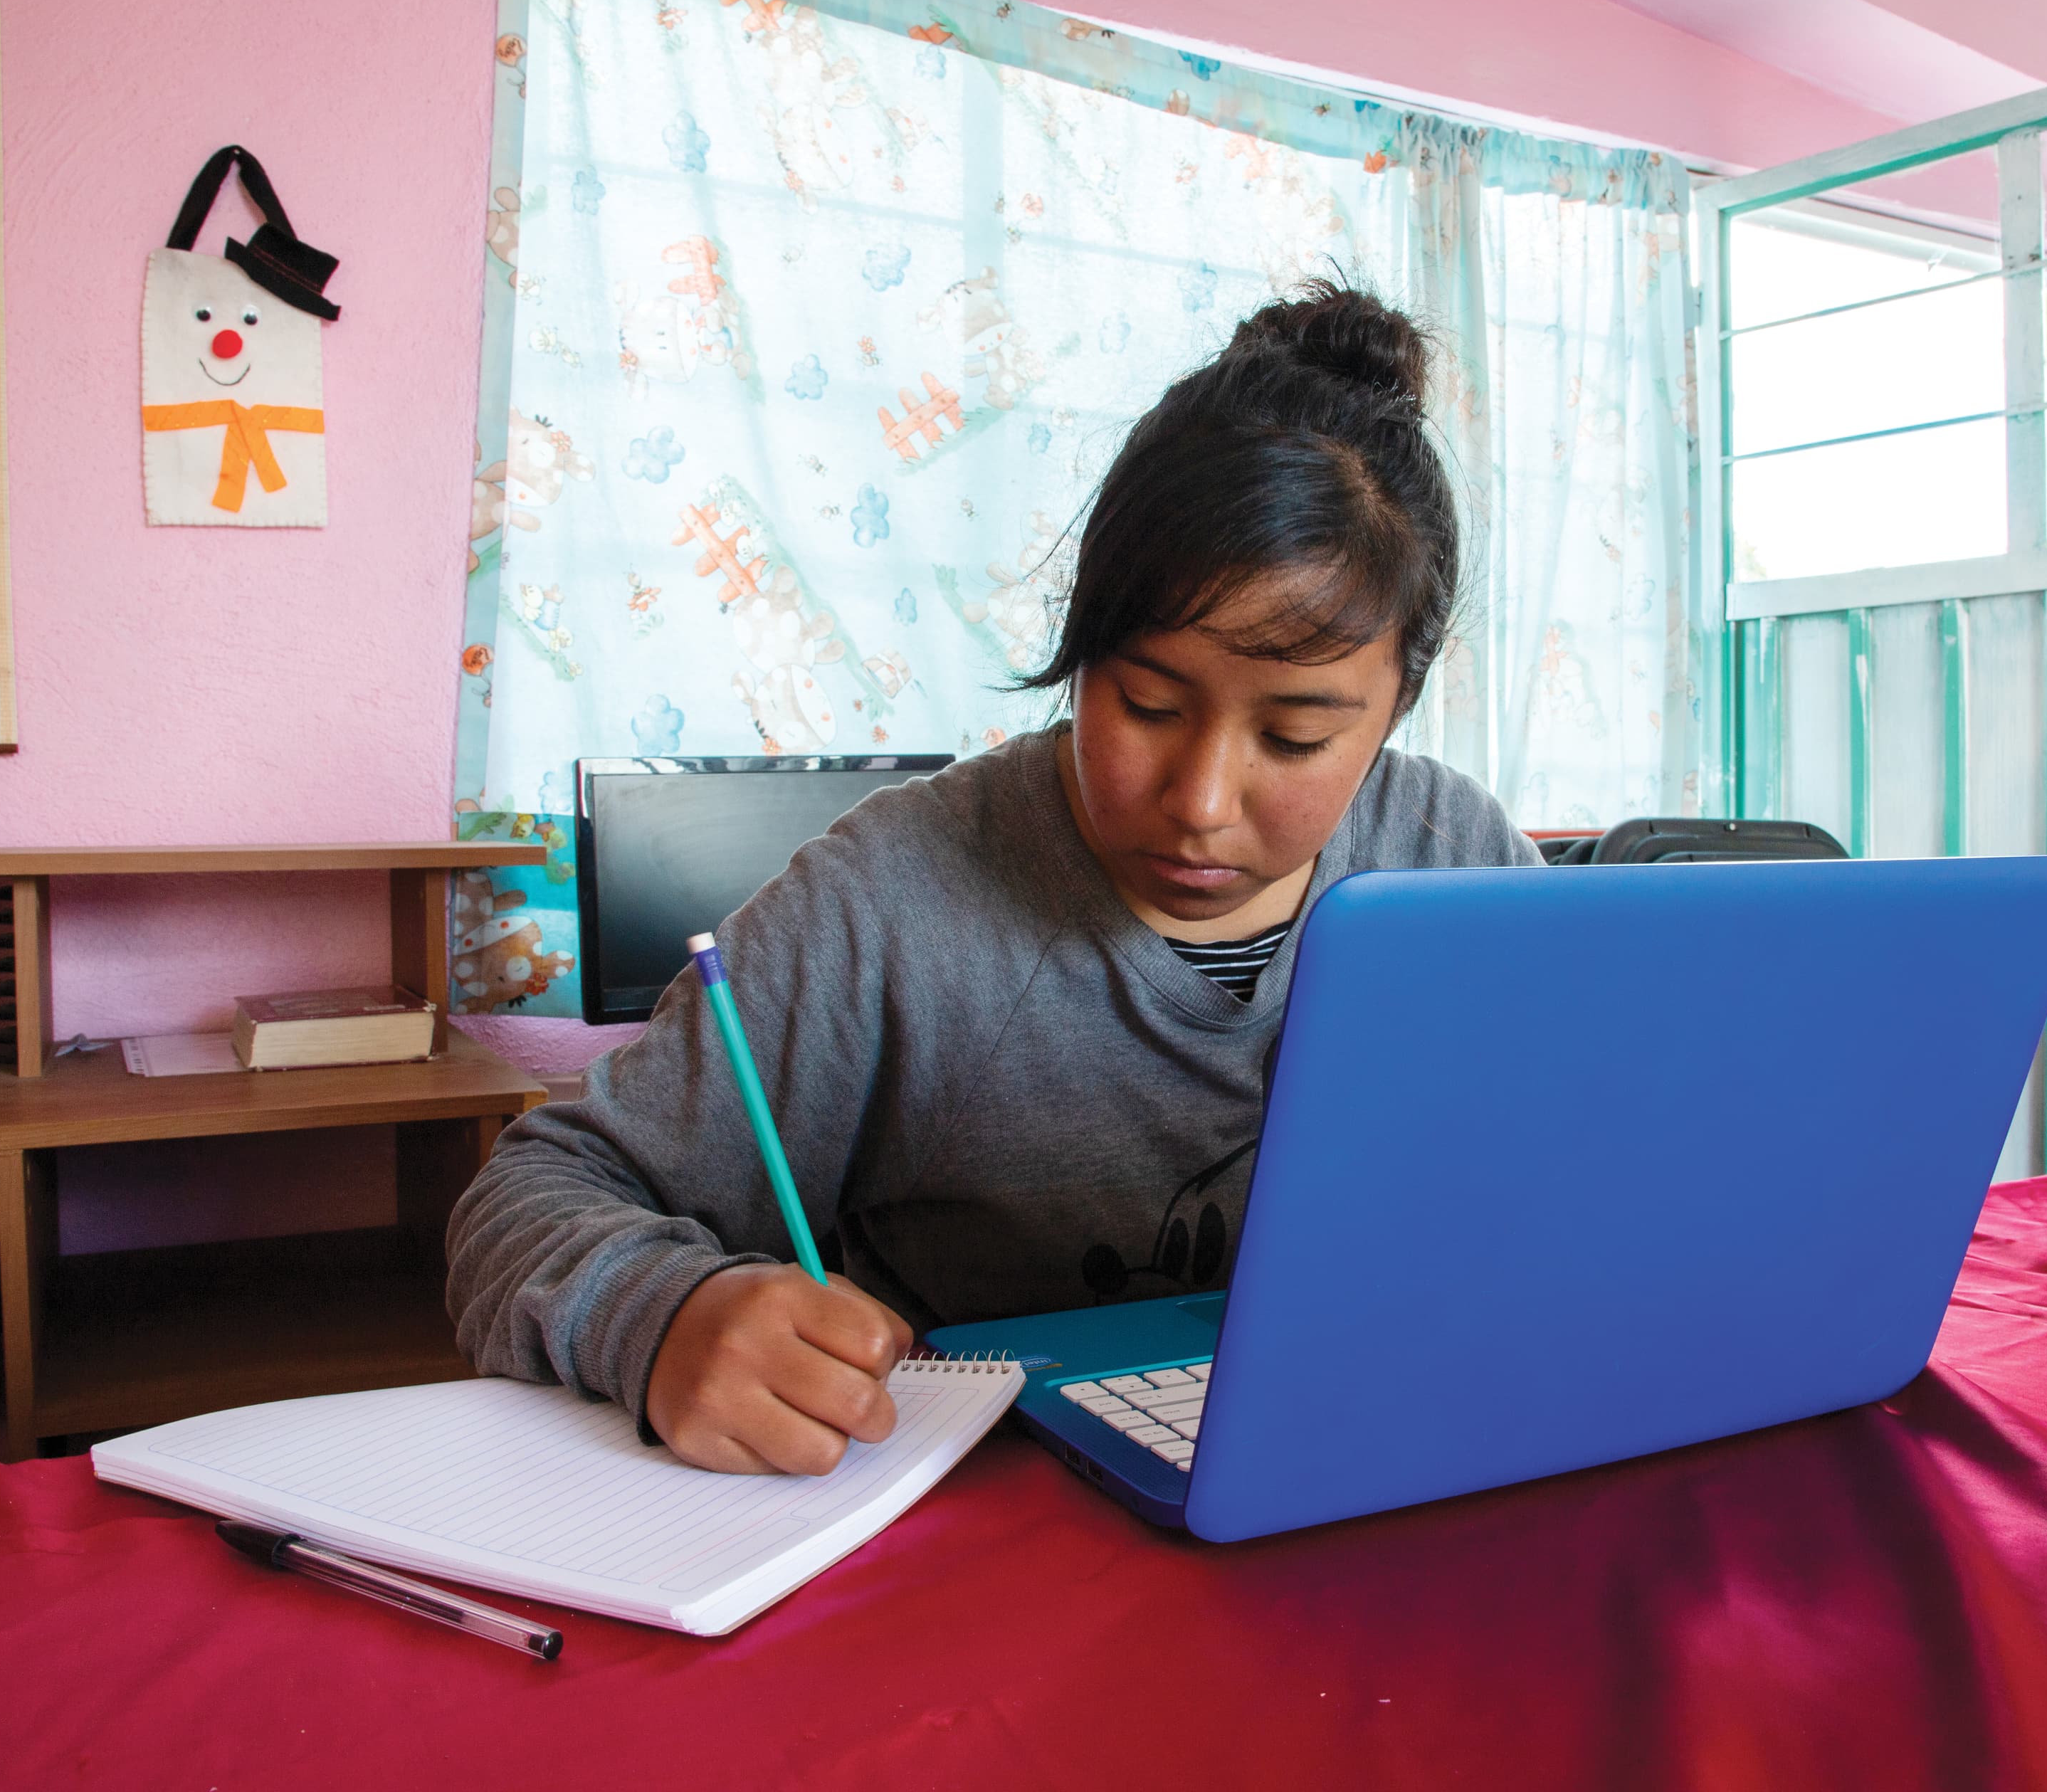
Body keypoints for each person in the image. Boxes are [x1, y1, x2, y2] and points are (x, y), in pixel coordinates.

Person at [447, 280, 1545, 1477]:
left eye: (1296, 737)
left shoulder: (1458, 863)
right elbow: (535, 1194)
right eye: (1149, 703)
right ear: (1084, 643)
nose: (1201, 801)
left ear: (1398, 707)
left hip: (1367, 1469)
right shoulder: (888, 902)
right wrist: (665, 1316)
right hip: (976, 1521)